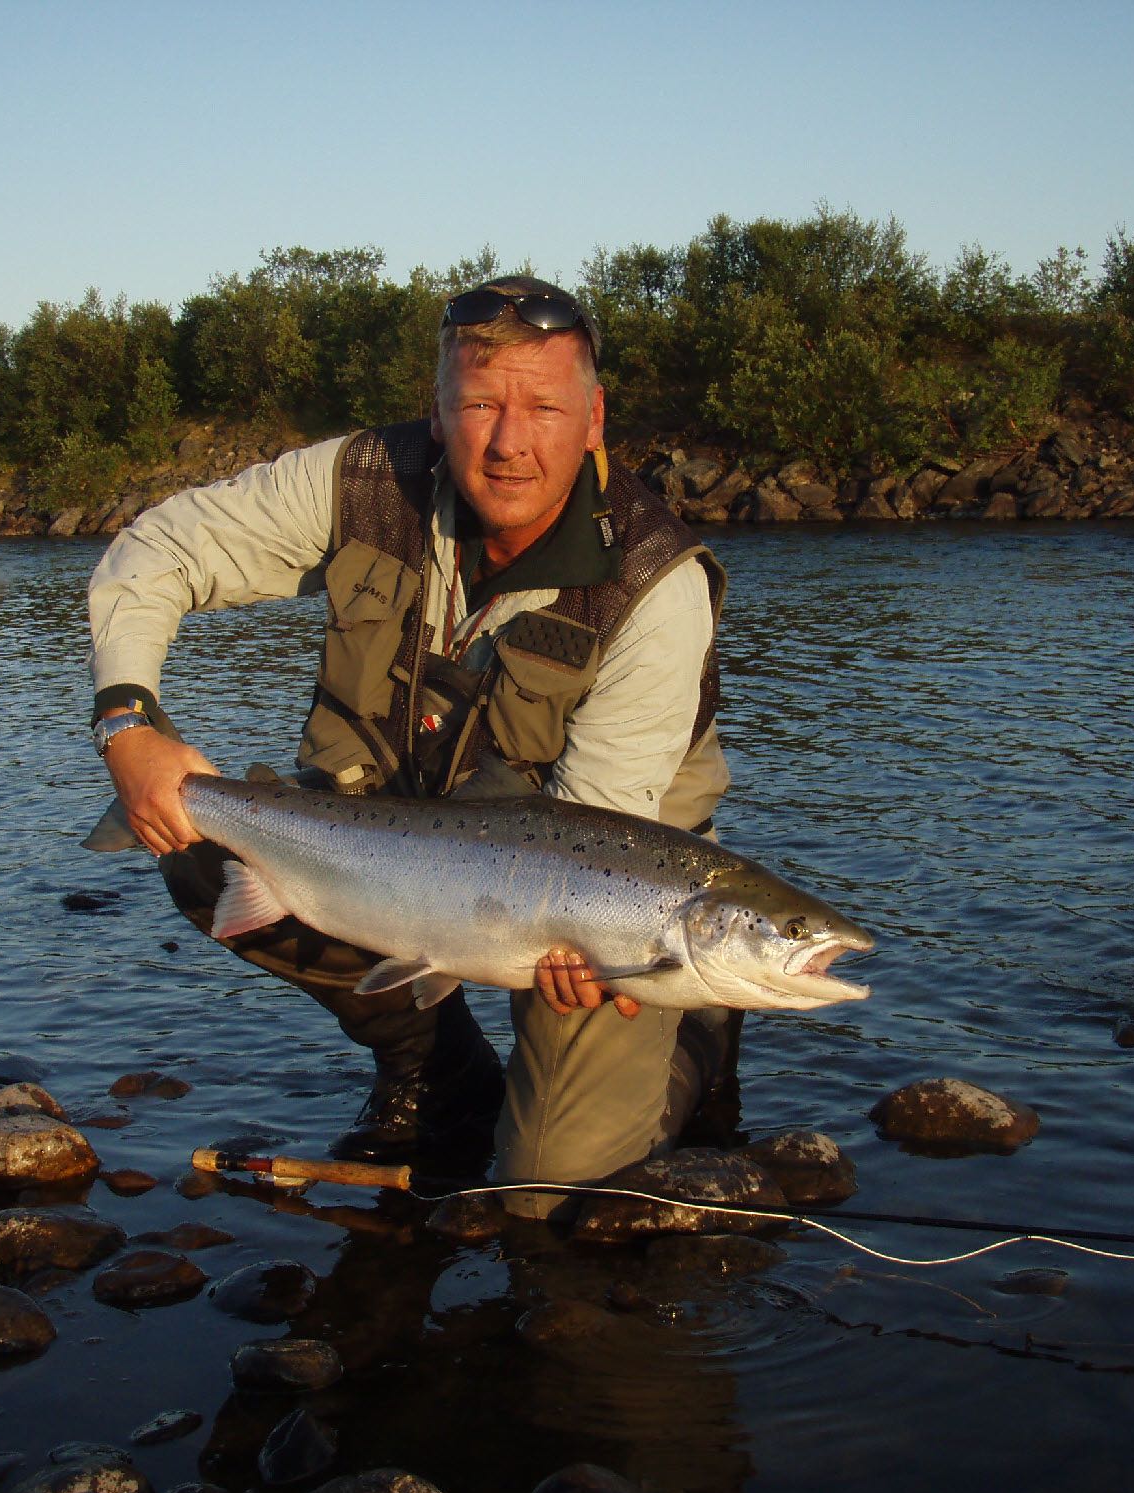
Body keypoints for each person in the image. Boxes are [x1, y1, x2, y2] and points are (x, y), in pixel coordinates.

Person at [85, 276, 735, 1216]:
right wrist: (129, 726)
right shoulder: (361, 482)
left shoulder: (655, 586)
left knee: (544, 1191)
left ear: (594, 420)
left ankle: (701, 1029)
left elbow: (590, 837)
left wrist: (602, 950)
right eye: (480, 404)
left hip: (613, 860)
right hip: (413, 821)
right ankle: (436, 1069)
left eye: (545, 408)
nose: (509, 442)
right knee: (196, 844)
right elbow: (155, 551)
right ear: (438, 413)